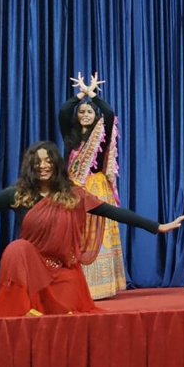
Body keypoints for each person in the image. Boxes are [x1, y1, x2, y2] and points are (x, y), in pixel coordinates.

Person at [0, 141, 184, 317]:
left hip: (63, 274)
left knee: (65, 318)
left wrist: (157, 227)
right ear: (31, 166)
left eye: (48, 161)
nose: (43, 166)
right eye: (37, 162)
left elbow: (114, 212)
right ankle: (17, 309)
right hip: (31, 272)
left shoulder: (73, 195)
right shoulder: (19, 195)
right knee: (18, 248)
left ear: (56, 165)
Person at [59, 72, 125, 300]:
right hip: (74, 186)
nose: (85, 115)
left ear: (95, 116)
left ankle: (101, 287)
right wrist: (80, 95)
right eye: (81, 112)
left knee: (99, 231)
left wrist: (92, 94)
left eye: (89, 112)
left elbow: (109, 113)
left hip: (97, 187)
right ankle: (78, 283)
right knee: (77, 232)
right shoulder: (70, 135)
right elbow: (63, 111)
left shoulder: (102, 133)